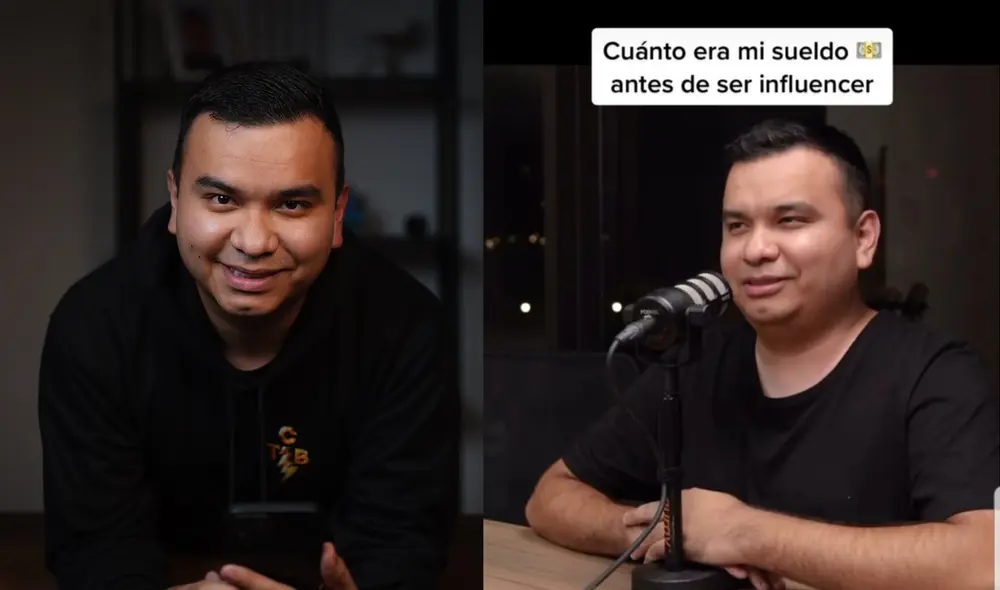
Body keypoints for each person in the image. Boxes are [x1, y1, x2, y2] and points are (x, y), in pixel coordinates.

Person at [525, 119, 998, 590]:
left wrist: (746, 535)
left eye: (790, 220)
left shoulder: (936, 375)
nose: (756, 249)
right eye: (737, 226)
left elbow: (983, 558)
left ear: (863, 238)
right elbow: (550, 497)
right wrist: (664, 534)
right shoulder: (693, 366)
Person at [38, 62, 459, 590]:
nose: (254, 242)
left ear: (337, 215)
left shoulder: (409, 328)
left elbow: (402, 543)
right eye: (222, 199)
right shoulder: (93, 328)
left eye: (292, 204)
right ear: (175, 200)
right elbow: (95, 545)